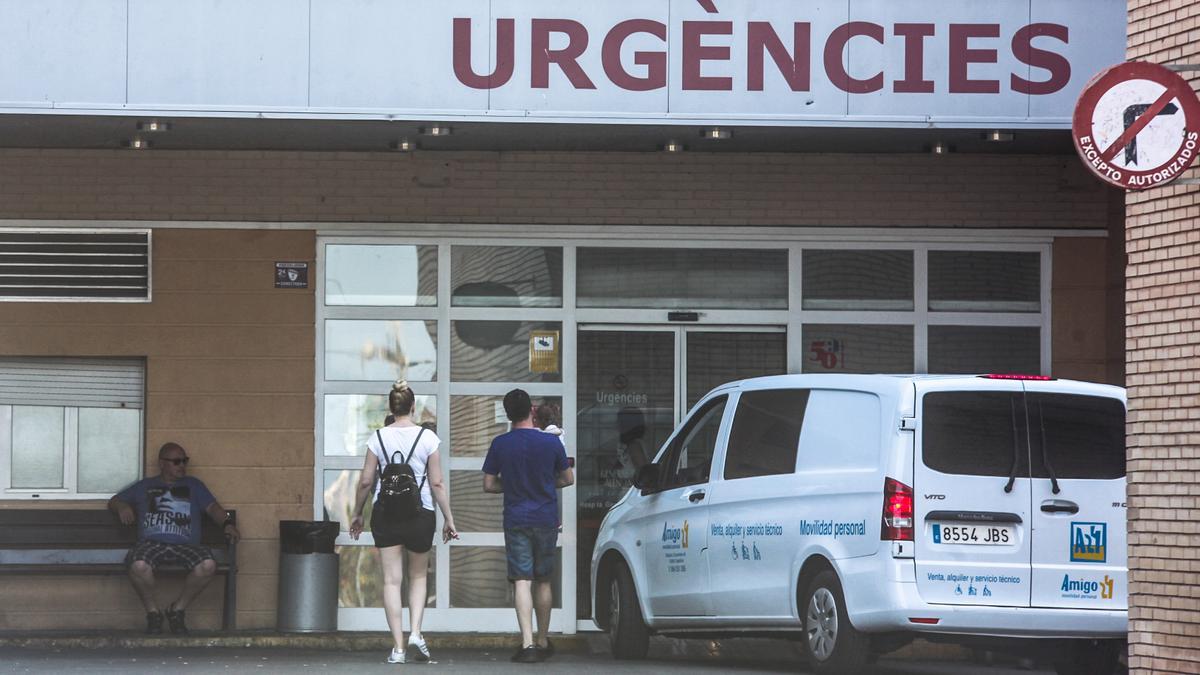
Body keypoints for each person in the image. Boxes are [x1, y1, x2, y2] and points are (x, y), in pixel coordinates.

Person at [350, 381, 458, 664]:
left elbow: (365, 481)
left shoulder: (378, 438)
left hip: (386, 513)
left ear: (391, 407)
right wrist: (449, 518)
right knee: (419, 576)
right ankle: (416, 632)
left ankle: (398, 648)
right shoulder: (427, 438)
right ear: (413, 406)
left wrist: (357, 512)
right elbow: (437, 482)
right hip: (420, 514)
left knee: (391, 580)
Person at [108, 441, 241, 635]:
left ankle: (177, 610)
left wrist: (227, 524)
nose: (182, 466)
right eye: (176, 461)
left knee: (208, 565)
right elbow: (114, 500)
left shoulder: (194, 485)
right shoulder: (145, 486)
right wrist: (122, 506)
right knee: (138, 566)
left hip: (187, 545)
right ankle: (153, 613)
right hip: (151, 544)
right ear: (162, 463)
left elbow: (213, 508)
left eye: (184, 461)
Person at [482, 388, 574, 663]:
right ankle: (543, 640)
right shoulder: (550, 443)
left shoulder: (500, 443)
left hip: (516, 519)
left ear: (508, 414)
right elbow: (568, 479)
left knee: (522, 580)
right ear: (531, 411)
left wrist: (511, 485)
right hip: (545, 518)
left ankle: (528, 644)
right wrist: (545, 484)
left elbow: (489, 484)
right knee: (543, 580)